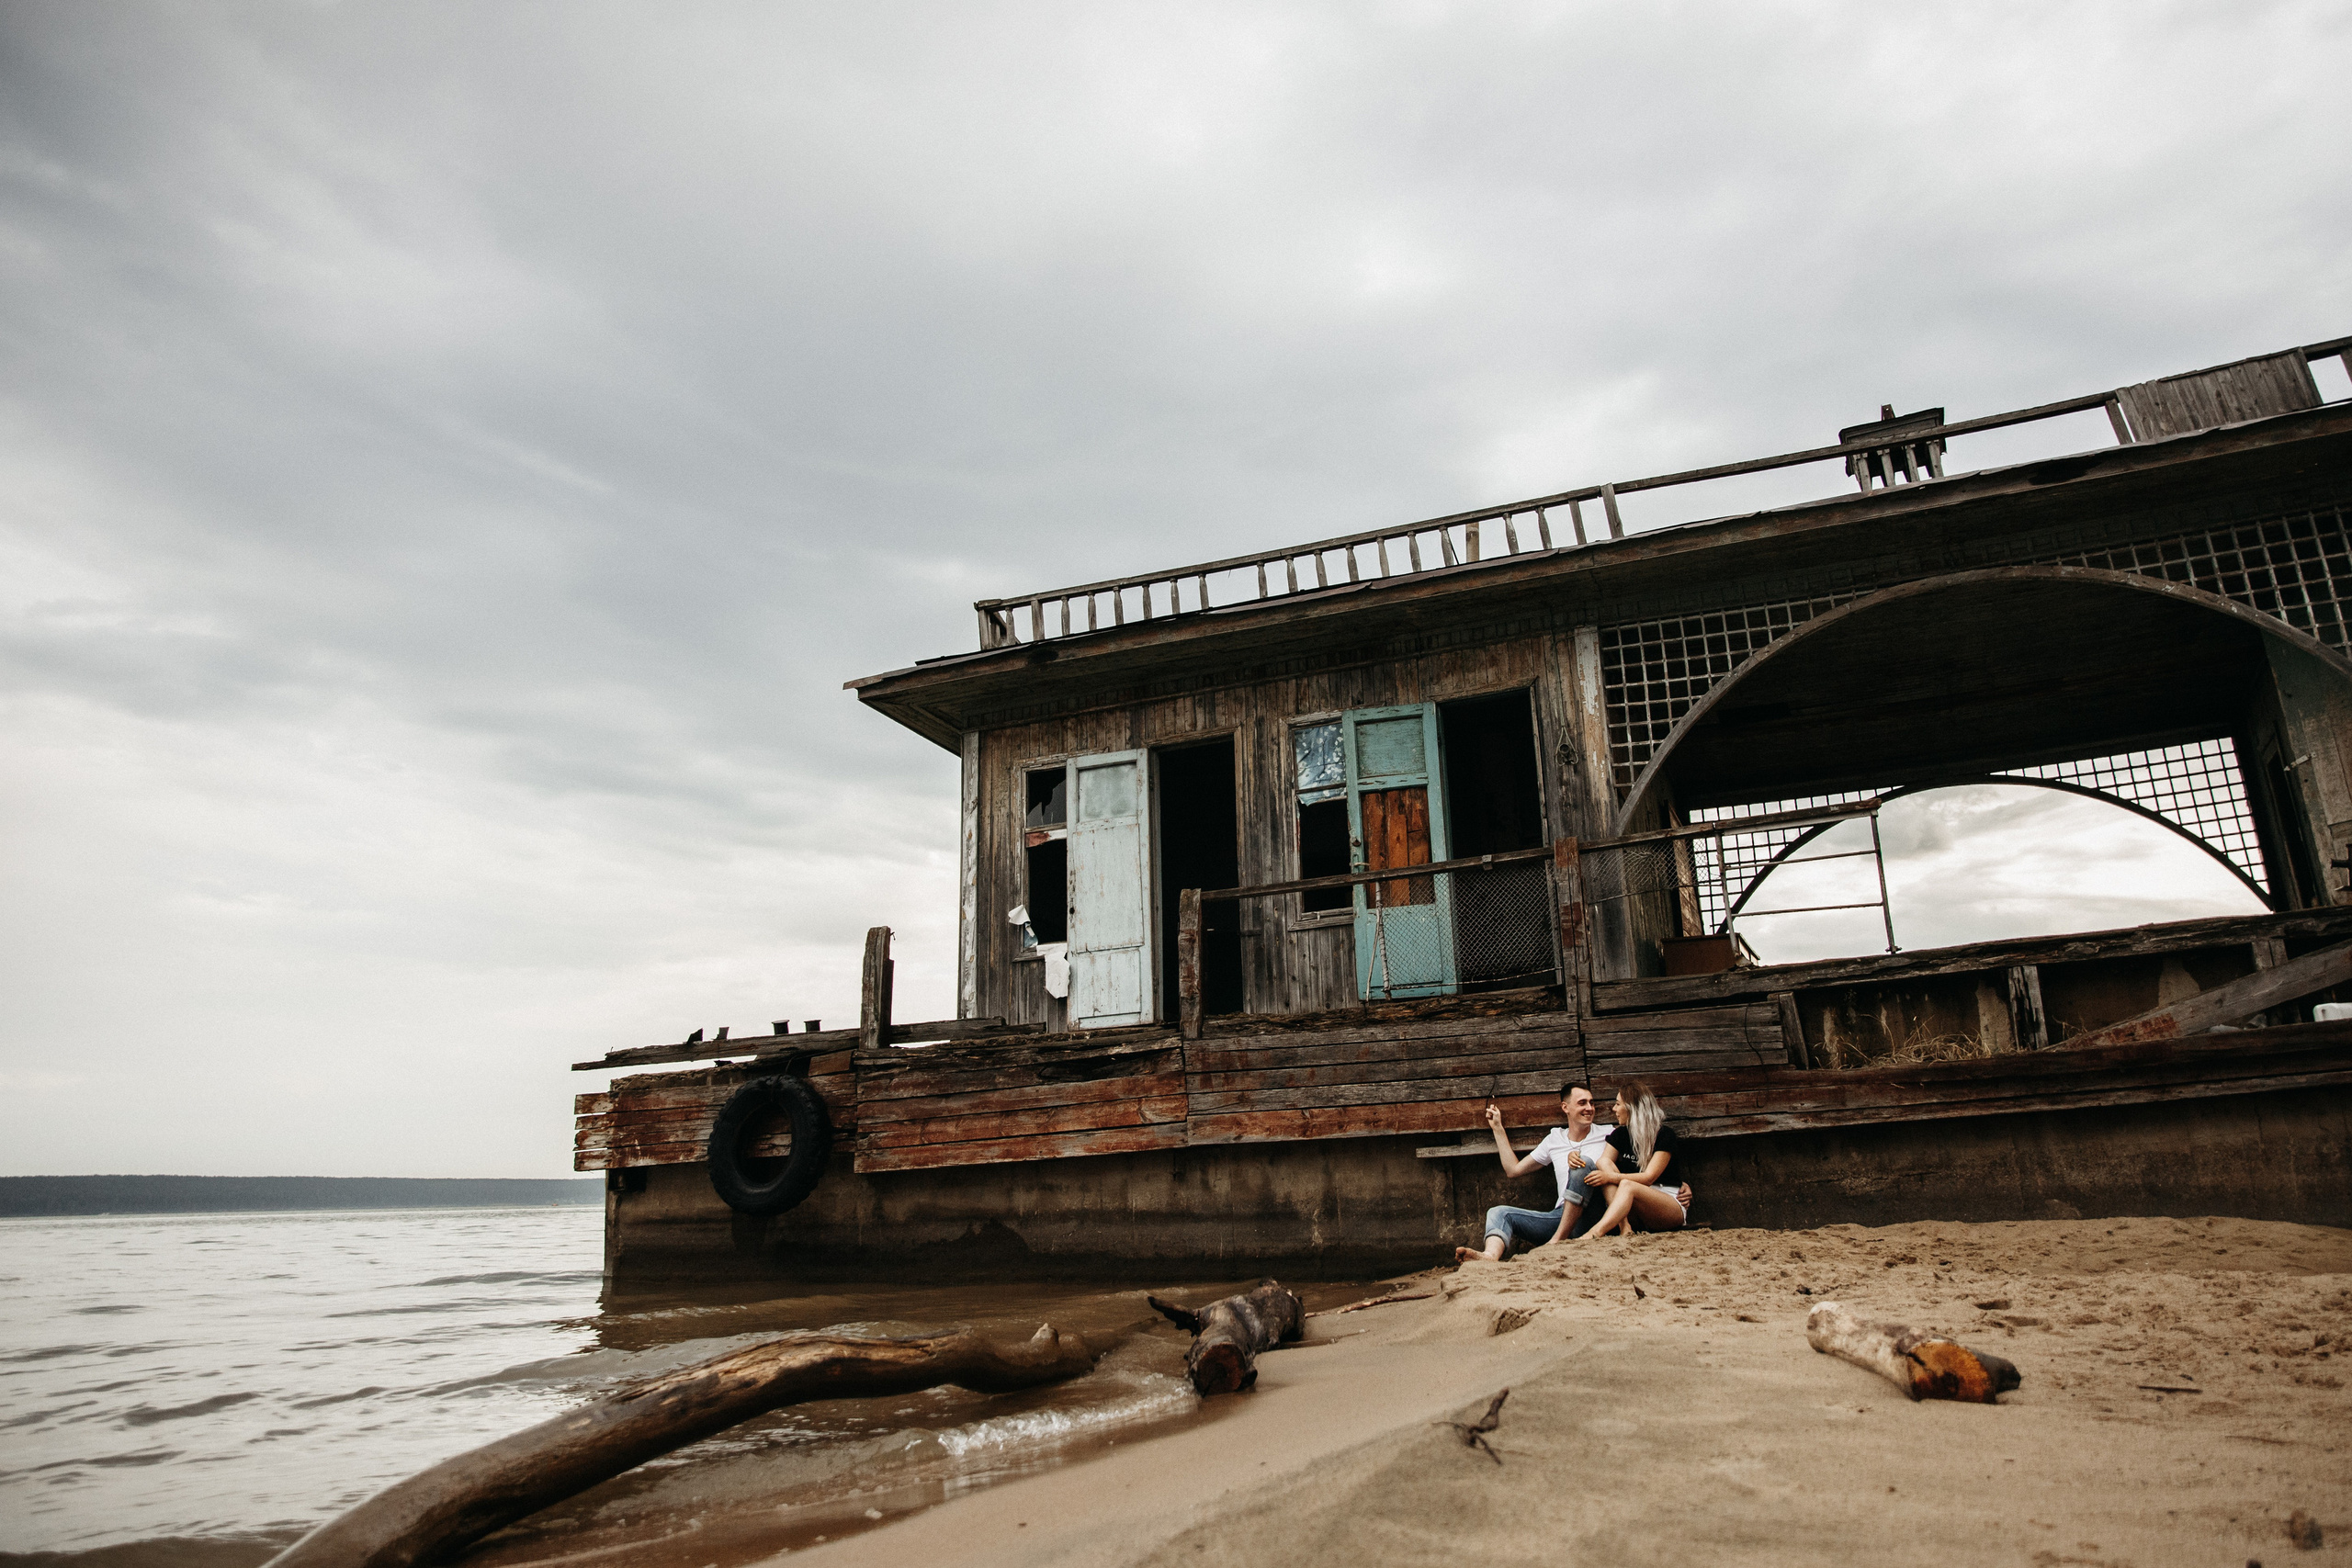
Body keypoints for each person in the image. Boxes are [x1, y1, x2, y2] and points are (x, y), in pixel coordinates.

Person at [1452, 1082, 1615, 1263]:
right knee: (1499, 1213)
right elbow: (1513, 1170)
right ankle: (1489, 1256)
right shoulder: (1555, 1139)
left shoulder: (1608, 1134)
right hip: (1562, 1217)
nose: (1589, 1108)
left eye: (1592, 1103)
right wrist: (1497, 1128)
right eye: (1582, 1103)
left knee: (1583, 1164)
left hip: (1594, 1214)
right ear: (1565, 1107)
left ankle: (1557, 1242)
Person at [1575, 1082, 1690, 1239]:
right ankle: (1625, 1227)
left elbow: (1649, 1178)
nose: (1614, 1109)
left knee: (1626, 1185)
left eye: (1617, 1104)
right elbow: (1604, 1163)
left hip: (1667, 1206)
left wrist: (1611, 1177)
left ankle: (1596, 1232)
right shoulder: (1620, 1134)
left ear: (1632, 1107)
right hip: (1634, 1208)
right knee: (1603, 1164)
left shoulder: (1664, 1134)